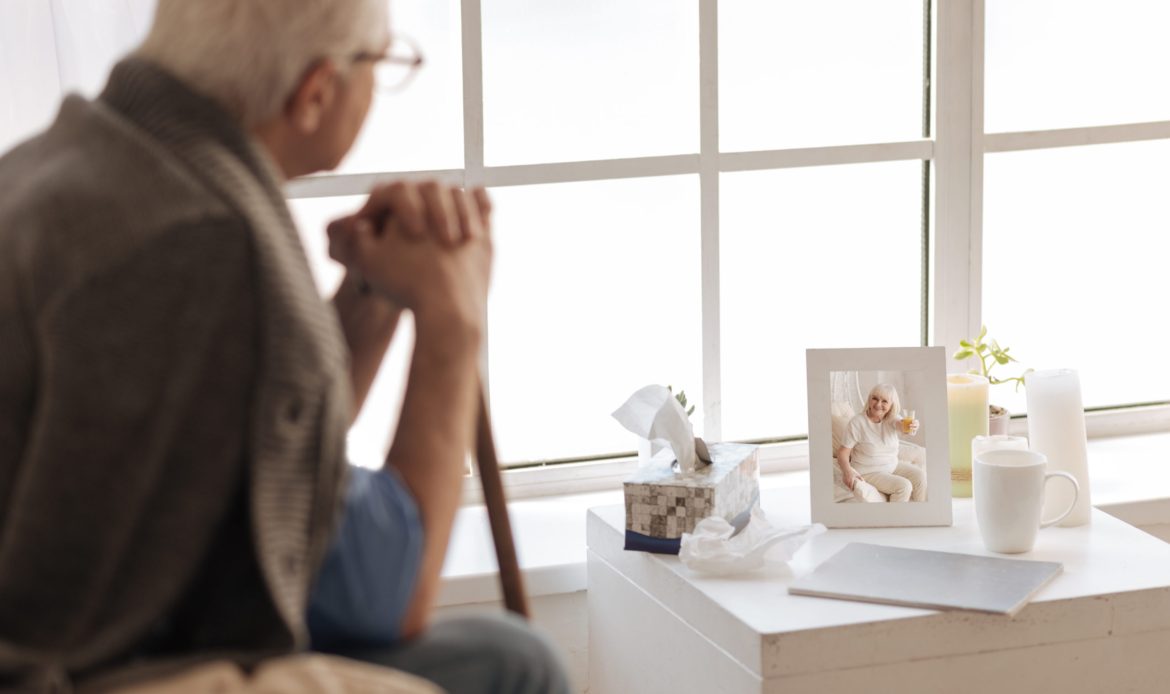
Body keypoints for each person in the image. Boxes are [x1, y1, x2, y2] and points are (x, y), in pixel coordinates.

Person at [0, 1, 568, 692]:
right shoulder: (215, 242)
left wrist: (371, 293)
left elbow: (253, 438)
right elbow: (390, 594)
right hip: (80, 674)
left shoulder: (64, 165)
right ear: (316, 93)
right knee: (517, 665)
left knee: (497, 652)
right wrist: (453, 323)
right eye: (381, 63)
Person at [836, 384, 926, 503]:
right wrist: (847, 471)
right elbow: (842, 452)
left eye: (884, 401)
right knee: (904, 486)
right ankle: (895, 520)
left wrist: (912, 426)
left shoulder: (892, 419)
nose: (878, 404)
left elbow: (903, 426)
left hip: (891, 466)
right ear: (869, 399)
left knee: (920, 476)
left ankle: (920, 515)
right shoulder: (857, 423)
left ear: (891, 405)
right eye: (875, 398)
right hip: (868, 471)